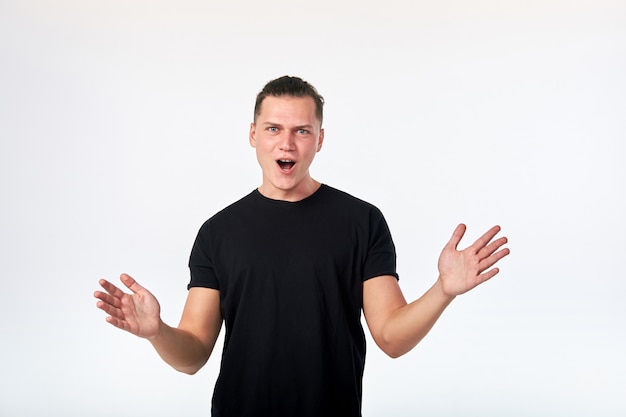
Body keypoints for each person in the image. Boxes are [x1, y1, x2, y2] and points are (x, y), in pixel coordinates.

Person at [94, 75, 510, 417]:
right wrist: (156, 332)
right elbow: (193, 355)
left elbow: (391, 338)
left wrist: (443, 290)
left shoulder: (362, 221)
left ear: (320, 139)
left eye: (301, 131)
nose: (287, 144)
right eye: (274, 129)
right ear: (253, 135)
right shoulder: (217, 232)